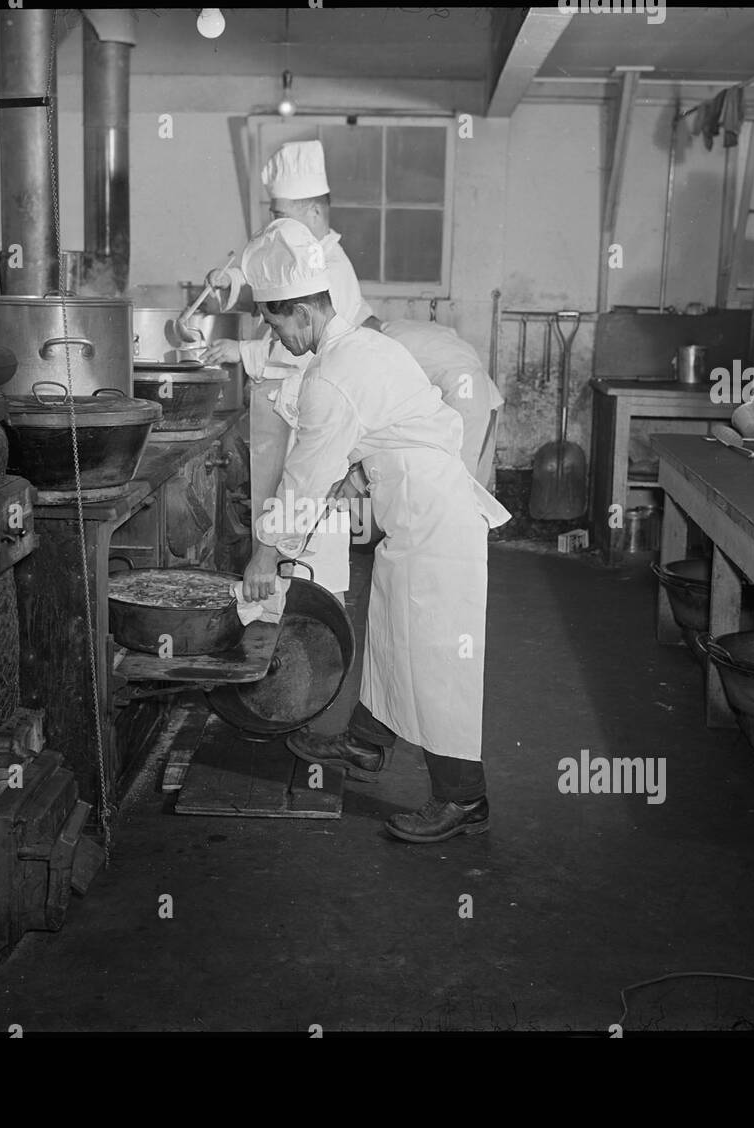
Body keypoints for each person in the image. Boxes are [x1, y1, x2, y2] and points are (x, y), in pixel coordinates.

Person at [239, 218, 511, 845]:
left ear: (304, 309)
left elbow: (301, 481)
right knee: (392, 635)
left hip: (437, 526)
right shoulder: (359, 350)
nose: (273, 333)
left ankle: (462, 799)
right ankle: (363, 745)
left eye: (274, 321)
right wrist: (362, 472)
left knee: (438, 658)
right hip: (414, 515)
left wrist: (263, 556)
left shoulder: (333, 377)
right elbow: (411, 425)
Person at [204, 140, 374, 600]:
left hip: (308, 422)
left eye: (283, 214)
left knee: (311, 547)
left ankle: (309, 621)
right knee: (288, 537)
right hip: (290, 417)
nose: (274, 225)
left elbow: (301, 356)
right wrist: (230, 282)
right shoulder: (303, 260)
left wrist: (242, 352)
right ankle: (291, 618)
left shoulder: (331, 272)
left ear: (315, 213)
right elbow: (269, 290)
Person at [365, 317, 505, 487]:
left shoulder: (383, 344)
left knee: (462, 477)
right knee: (475, 475)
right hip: (482, 388)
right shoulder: (402, 326)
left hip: (464, 392)